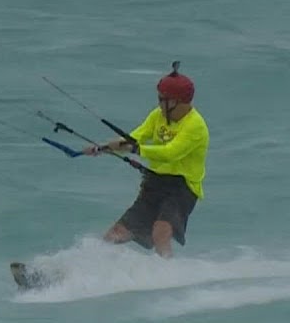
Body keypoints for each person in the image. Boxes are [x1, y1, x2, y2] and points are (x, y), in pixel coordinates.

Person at [83, 62, 209, 258]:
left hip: (182, 187)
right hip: (155, 183)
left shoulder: (196, 126)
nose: (159, 103)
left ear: (178, 101)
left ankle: (168, 275)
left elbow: (170, 152)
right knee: (114, 234)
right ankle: (80, 272)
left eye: (162, 99)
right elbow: (134, 138)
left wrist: (137, 149)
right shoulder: (158, 115)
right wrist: (103, 148)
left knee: (161, 231)